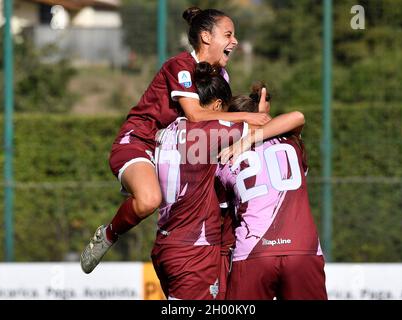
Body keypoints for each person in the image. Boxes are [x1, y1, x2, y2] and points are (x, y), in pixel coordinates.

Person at [79, 6, 271, 274]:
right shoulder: (180, 65)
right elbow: (194, 115)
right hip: (140, 141)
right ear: (206, 37)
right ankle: (109, 235)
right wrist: (249, 120)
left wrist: (252, 118)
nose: (235, 41)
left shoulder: (221, 76)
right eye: (228, 34)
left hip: (180, 150)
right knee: (148, 200)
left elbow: (217, 121)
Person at [152, 63, 305, 299]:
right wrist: (259, 117)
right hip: (289, 249)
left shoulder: (173, 136)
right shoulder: (288, 147)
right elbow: (290, 119)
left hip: (180, 245)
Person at [217, 84, 328, 300]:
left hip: (253, 253)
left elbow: (223, 214)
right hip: (302, 249)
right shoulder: (292, 143)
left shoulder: (225, 160)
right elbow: (296, 117)